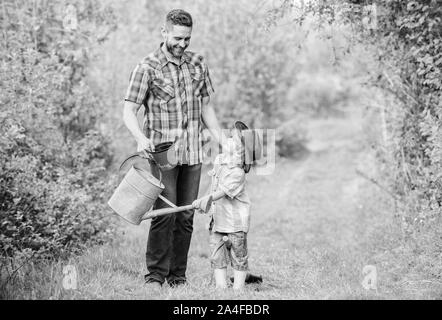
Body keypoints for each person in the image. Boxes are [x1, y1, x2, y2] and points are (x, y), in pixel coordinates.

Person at [122, 9, 225, 289]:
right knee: (164, 214)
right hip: (163, 155)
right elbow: (129, 111)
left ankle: (178, 276)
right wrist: (140, 138)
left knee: (187, 214)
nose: (182, 44)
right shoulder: (147, 67)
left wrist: (221, 138)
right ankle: (155, 275)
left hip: (193, 153)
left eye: (187, 38)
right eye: (178, 38)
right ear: (164, 32)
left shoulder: (198, 63)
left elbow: (206, 106)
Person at [193, 121, 262, 290]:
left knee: (238, 255)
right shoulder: (220, 160)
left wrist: (208, 198)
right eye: (229, 136)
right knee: (217, 254)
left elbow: (223, 191)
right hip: (218, 220)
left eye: (233, 138)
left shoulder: (238, 173)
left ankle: (238, 288)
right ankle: (221, 285)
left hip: (235, 223)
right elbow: (214, 185)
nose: (228, 139)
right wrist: (206, 202)